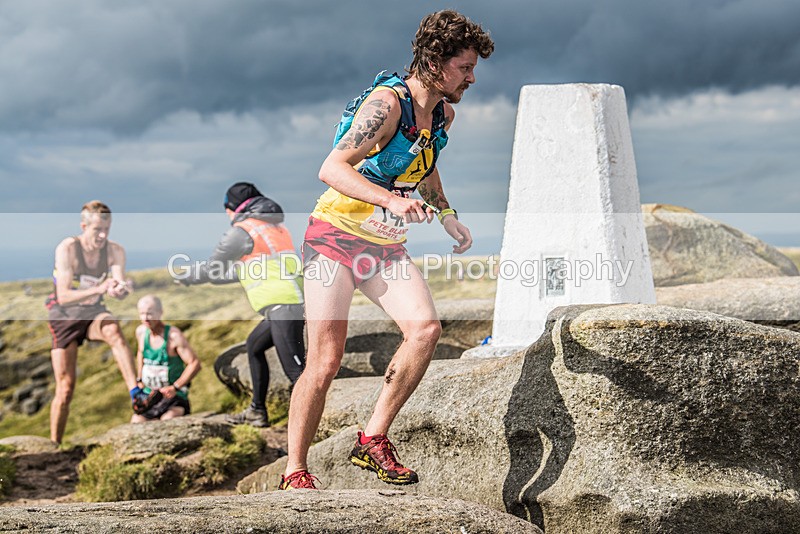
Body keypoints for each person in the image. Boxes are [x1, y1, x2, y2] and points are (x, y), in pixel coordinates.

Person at [280, 10, 494, 490]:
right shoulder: (386, 104)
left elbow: (426, 162)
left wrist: (445, 213)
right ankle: (295, 469)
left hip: (383, 244)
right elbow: (332, 168)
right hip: (334, 236)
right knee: (325, 362)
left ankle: (372, 438)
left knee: (425, 330)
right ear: (436, 62)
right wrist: (392, 201)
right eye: (465, 67)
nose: (472, 77)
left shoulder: (444, 113)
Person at [179, 182, 305, 428]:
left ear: (232, 208)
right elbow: (248, 271)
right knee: (254, 346)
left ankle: (322, 424)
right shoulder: (273, 226)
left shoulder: (242, 231)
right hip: (288, 301)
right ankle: (257, 411)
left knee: (298, 375)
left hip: (284, 304)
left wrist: (187, 276)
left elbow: (213, 268)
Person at [46, 200, 160, 444]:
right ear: (83, 225)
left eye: (106, 229)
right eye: (97, 229)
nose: (102, 235)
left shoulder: (115, 250)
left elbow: (119, 283)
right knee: (65, 388)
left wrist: (120, 289)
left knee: (113, 329)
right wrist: (100, 287)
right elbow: (63, 296)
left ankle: (135, 392)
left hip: (93, 313)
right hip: (64, 316)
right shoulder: (67, 248)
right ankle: (54, 444)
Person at [131, 295, 201, 423]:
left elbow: (194, 363)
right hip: (150, 396)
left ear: (160, 313)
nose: (145, 318)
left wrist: (176, 387)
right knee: (136, 422)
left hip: (173, 398)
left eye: (150, 313)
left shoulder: (173, 336)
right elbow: (141, 354)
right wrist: (139, 379)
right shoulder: (141, 332)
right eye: (142, 314)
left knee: (167, 421)